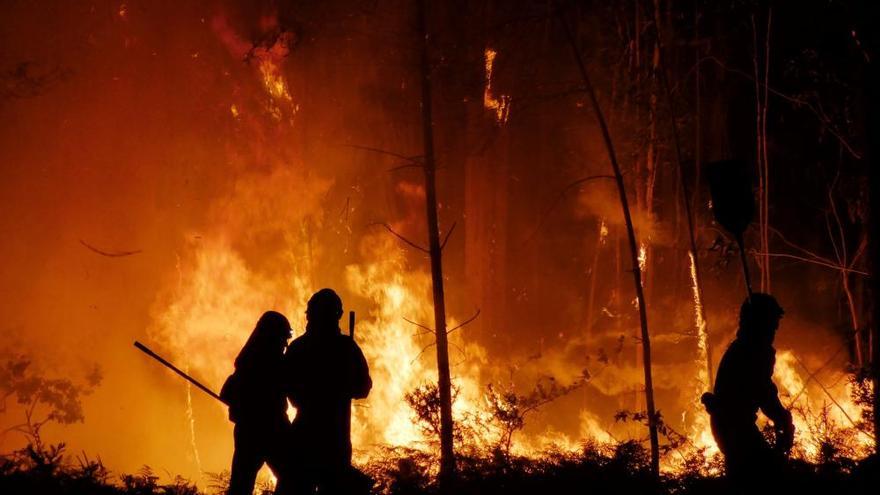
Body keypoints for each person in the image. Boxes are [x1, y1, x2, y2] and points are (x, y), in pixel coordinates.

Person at [282, 288, 372, 495]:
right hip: (335, 436)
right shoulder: (346, 347)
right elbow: (363, 387)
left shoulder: (298, 347)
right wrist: (342, 387)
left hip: (306, 434)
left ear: (310, 314)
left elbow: (287, 387)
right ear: (338, 315)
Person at [702, 293, 794, 491]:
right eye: (771, 322)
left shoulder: (746, 349)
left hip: (730, 425)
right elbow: (764, 394)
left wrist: (782, 418)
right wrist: (782, 417)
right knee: (761, 478)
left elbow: (764, 389)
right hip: (734, 427)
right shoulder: (751, 352)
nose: (775, 329)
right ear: (759, 322)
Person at [220, 311, 292, 495]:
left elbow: (226, 393)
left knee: (241, 485)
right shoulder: (275, 363)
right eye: (284, 337)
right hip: (273, 429)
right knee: (292, 476)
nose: (285, 343)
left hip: (248, 430)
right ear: (274, 335)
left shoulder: (247, 362)